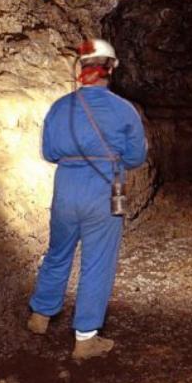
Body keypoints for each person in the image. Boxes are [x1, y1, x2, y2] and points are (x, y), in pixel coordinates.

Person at [26, 38, 147, 359]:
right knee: (97, 261)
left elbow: (49, 153)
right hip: (105, 190)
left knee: (57, 252)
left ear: (81, 69)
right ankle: (85, 338)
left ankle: (40, 314)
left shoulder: (59, 107)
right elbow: (135, 156)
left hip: (66, 188)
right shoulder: (124, 110)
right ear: (110, 69)